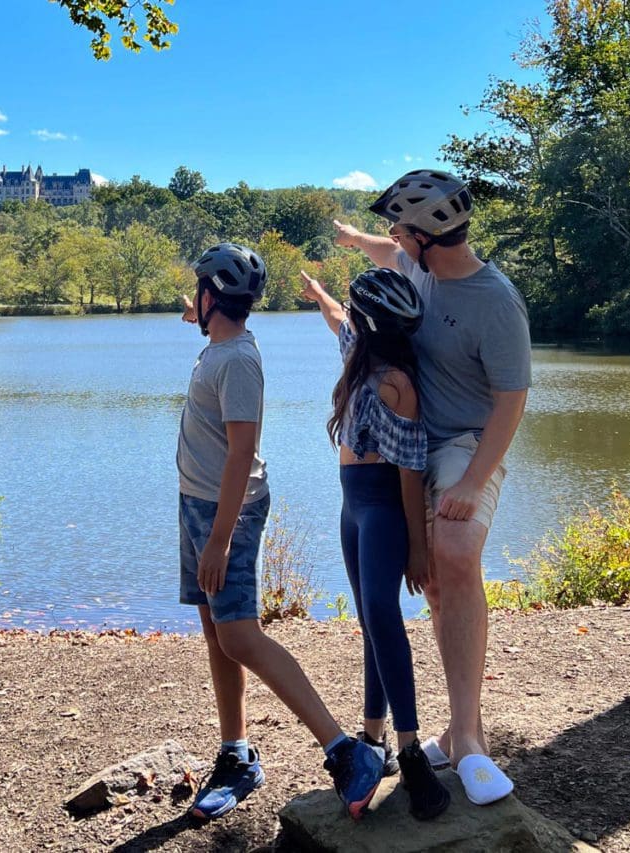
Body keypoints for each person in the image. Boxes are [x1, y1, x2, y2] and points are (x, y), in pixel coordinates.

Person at [331, 170, 530, 806]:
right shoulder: (416, 266)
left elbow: (511, 401)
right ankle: (445, 727)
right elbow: (384, 253)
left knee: (453, 549)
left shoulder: (495, 301)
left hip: (464, 443)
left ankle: (469, 737)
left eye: (400, 229)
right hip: (409, 446)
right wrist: (358, 238)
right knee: (432, 580)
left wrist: (473, 482)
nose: (394, 238)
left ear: (427, 236)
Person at [175, 242, 383, 822]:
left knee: (239, 635)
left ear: (212, 298)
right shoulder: (222, 346)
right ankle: (236, 755)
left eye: (200, 295)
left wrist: (219, 539)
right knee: (218, 631)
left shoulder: (237, 360)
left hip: (228, 511)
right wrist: (205, 315)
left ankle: (344, 752)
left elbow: (242, 452)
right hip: (199, 503)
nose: (194, 305)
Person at [300, 266, 451, 821]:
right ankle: (374, 738)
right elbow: (339, 321)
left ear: (376, 325)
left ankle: (410, 750)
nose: (349, 319)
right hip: (351, 506)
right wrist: (318, 296)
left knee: (383, 616)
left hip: (384, 509)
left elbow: (410, 471)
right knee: (368, 618)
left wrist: (416, 546)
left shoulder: (396, 383)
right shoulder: (360, 353)